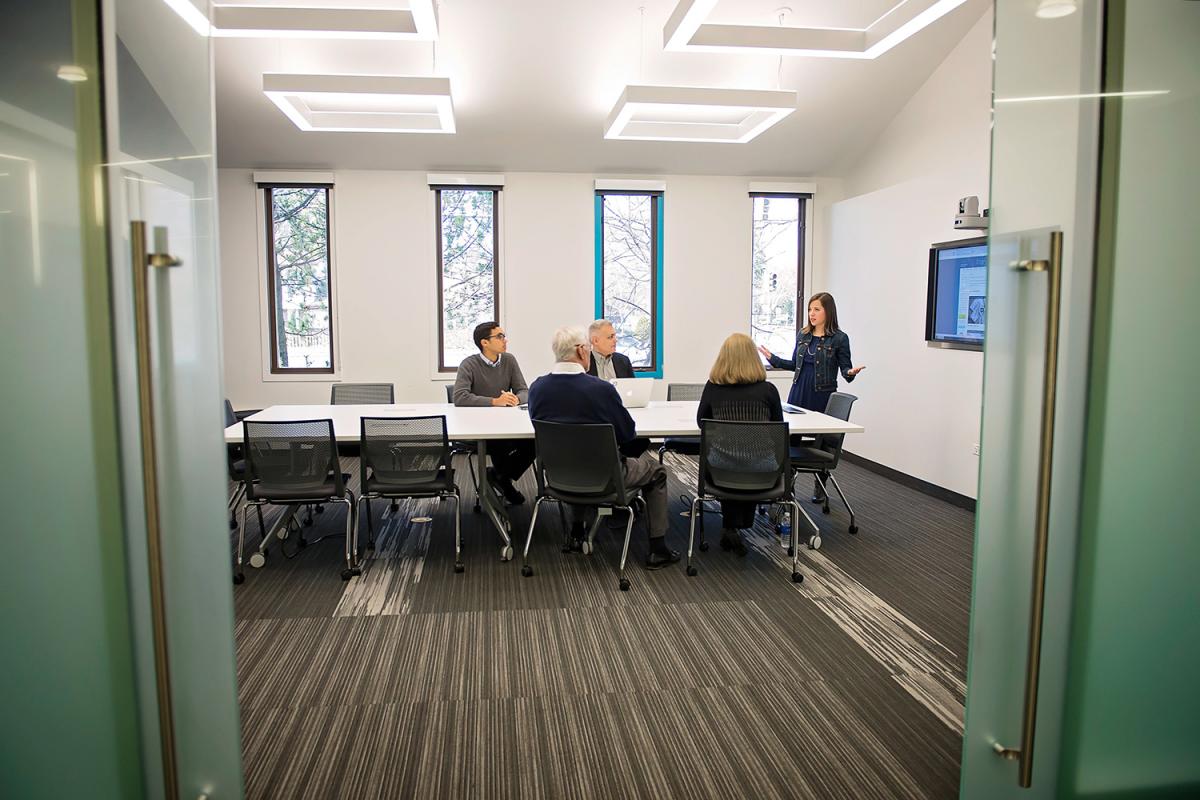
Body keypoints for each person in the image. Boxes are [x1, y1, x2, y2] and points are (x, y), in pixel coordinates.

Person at [527, 326, 680, 570]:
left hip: (559, 475)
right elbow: (627, 433)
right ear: (581, 351)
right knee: (656, 471)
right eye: (587, 347)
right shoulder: (600, 390)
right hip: (606, 476)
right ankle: (658, 548)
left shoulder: (537, 388)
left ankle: (577, 530)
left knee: (576, 458)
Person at [757, 292, 865, 501]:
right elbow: (794, 365)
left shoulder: (840, 339)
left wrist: (850, 373)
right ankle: (789, 486)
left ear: (828, 311)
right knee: (791, 438)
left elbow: (845, 369)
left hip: (822, 394)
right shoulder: (803, 335)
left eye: (816, 309)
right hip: (799, 392)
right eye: (809, 309)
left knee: (822, 441)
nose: (811, 314)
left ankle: (820, 483)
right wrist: (774, 359)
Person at [697, 333, 784, 556]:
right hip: (763, 471)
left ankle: (732, 525)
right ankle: (739, 524)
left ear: (723, 358)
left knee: (731, 460)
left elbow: (701, 422)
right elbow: (777, 430)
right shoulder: (768, 390)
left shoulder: (713, 387)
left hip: (720, 471)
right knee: (749, 460)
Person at [452, 321, 534, 504]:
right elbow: (460, 397)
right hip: (478, 428)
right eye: (500, 336)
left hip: (506, 424)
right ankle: (504, 482)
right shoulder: (469, 364)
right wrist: (494, 402)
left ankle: (499, 476)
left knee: (533, 443)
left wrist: (516, 399)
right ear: (485, 342)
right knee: (500, 444)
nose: (505, 340)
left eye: (504, 336)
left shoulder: (509, 360)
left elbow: (524, 391)